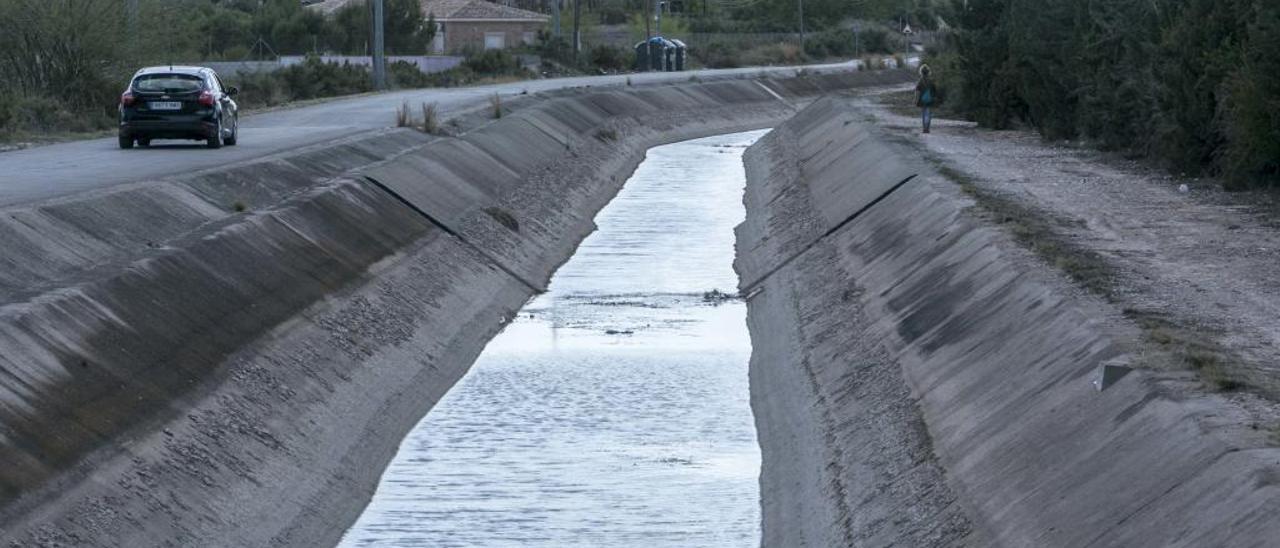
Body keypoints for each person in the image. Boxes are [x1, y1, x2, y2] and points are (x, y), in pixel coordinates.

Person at [915, 64, 937, 134]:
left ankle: (924, 128)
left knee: (924, 114)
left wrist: (916, 100)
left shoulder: (920, 81)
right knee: (928, 114)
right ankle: (927, 128)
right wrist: (934, 98)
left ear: (921, 72)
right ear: (928, 72)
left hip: (922, 100)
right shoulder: (931, 81)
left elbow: (917, 91)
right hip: (929, 99)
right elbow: (934, 90)